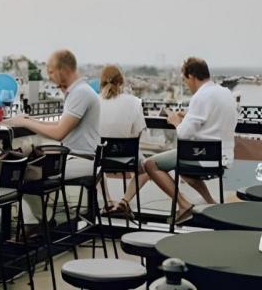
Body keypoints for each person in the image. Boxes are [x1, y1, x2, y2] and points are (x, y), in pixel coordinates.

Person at [3, 49, 100, 223]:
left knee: (20, 173)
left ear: (64, 70)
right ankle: (43, 223)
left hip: (83, 159)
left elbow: (59, 133)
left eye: (51, 71)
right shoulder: (79, 91)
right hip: (80, 157)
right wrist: (32, 119)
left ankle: (45, 222)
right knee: (26, 171)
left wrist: (24, 123)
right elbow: (60, 125)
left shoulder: (80, 93)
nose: (49, 77)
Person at [144, 57, 237, 224]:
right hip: (222, 157)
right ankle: (210, 202)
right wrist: (188, 117)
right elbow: (214, 121)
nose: (186, 84)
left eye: (185, 79)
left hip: (201, 157)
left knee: (150, 164)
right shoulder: (226, 93)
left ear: (192, 76)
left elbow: (183, 135)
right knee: (186, 170)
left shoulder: (201, 96)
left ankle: (183, 204)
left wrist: (175, 121)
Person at [97, 65, 149, 218]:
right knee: (147, 168)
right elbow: (138, 133)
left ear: (101, 83)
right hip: (127, 157)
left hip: (100, 158)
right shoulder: (134, 102)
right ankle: (124, 201)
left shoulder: (94, 103)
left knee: (91, 167)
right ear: (122, 82)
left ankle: (107, 202)